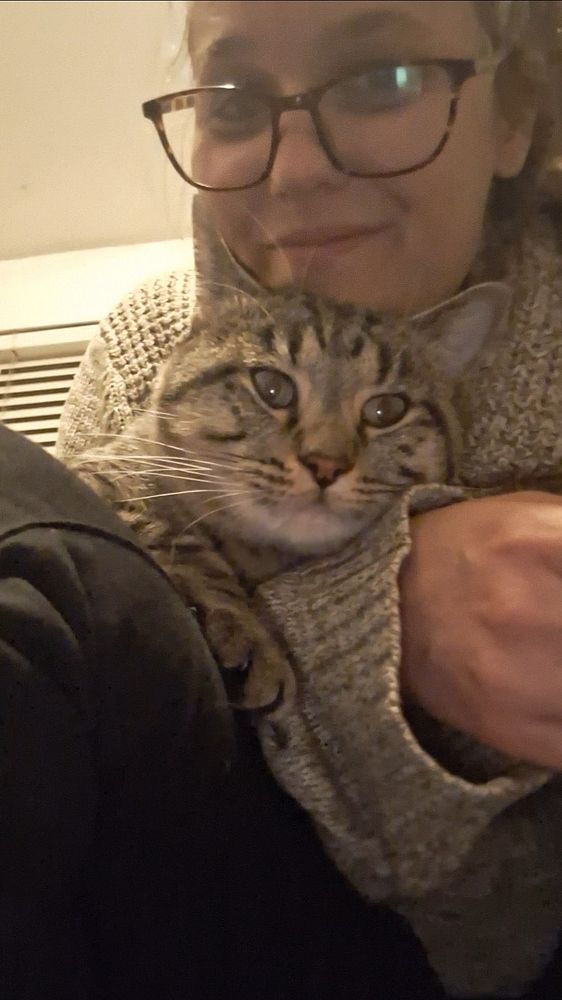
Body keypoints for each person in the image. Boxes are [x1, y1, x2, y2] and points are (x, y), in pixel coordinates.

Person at [57, 2, 562, 997]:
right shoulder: (150, 343)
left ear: (514, 112)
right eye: (234, 98)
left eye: (381, 79)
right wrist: (383, 607)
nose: (294, 173)